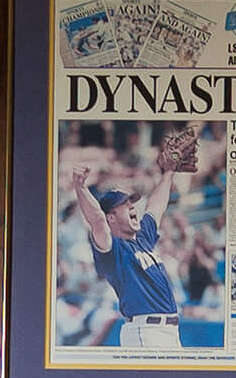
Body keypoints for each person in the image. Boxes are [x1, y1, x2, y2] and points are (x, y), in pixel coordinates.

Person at [68, 149, 190, 348]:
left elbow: (155, 207)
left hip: (170, 332)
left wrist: (168, 173)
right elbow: (98, 220)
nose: (132, 207)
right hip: (145, 332)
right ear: (112, 218)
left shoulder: (142, 238)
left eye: (132, 202)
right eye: (125, 205)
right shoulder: (113, 251)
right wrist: (80, 186)